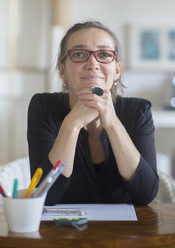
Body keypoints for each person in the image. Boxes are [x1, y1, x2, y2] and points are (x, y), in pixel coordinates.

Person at [27, 20, 158, 206]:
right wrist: (72, 124)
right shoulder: (43, 107)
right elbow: (45, 196)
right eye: (79, 54)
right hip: (60, 232)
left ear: (117, 70)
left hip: (125, 233)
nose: (92, 63)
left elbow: (146, 193)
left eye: (104, 54)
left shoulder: (138, 112)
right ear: (62, 70)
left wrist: (112, 123)